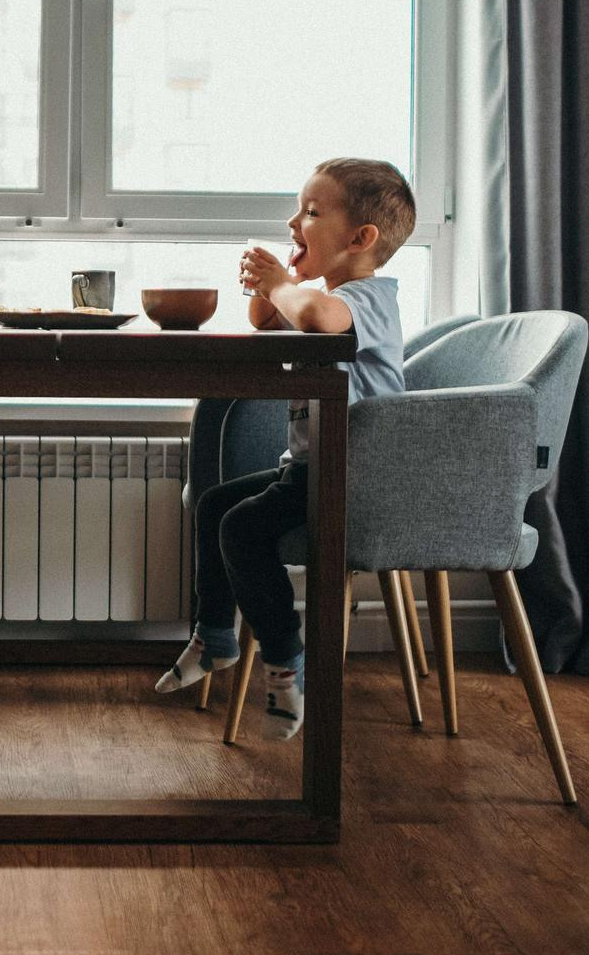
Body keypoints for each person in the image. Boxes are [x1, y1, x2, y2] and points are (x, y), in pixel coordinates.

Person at [154, 157, 416, 740]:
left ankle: (284, 661)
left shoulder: (367, 300)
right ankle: (216, 636)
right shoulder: (325, 296)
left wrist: (283, 283)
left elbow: (320, 319)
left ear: (361, 238)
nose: (294, 219)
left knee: (242, 528)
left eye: (312, 212)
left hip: (350, 477)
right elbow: (267, 322)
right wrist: (272, 288)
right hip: (308, 469)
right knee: (215, 503)